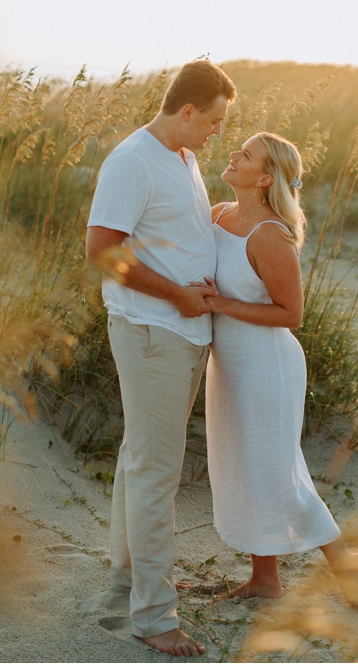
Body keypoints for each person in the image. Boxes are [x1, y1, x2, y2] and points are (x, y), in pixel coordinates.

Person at [85, 59, 236, 657]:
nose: (219, 133)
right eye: (216, 121)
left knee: (140, 457)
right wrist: (177, 295)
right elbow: (101, 250)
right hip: (152, 332)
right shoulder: (132, 161)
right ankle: (153, 617)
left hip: (178, 333)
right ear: (188, 110)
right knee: (156, 471)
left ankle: (130, 576)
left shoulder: (184, 155)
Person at [196, 132, 358, 609]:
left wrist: (221, 303)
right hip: (228, 365)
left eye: (245, 154)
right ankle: (266, 580)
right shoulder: (217, 214)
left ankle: (344, 563)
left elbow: (291, 314)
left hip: (267, 366)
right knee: (246, 469)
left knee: (276, 473)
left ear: (265, 177)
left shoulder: (270, 234)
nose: (234, 154)